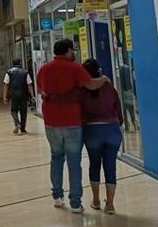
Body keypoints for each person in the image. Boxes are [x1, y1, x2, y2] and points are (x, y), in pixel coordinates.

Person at [37, 39, 110, 214]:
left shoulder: (44, 69)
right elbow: (91, 84)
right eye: (73, 50)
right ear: (68, 51)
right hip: (71, 121)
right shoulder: (75, 68)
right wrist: (104, 79)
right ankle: (76, 203)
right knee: (74, 162)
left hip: (51, 121)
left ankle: (57, 196)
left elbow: (40, 90)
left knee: (56, 157)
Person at [82, 59, 124, 214]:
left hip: (92, 131)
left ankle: (96, 200)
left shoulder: (83, 89)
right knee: (110, 166)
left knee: (94, 165)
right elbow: (118, 110)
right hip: (112, 130)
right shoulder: (109, 86)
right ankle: (110, 205)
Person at [3, 59, 33, 135]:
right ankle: (23, 129)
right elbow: (29, 84)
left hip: (13, 95)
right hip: (23, 94)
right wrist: (32, 95)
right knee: (23, 112)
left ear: (13, 64)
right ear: (20, 63)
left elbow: (6, 84)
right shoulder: (25, 72)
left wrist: (5, 96)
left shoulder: (9, 72)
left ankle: (17, 123)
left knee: (13, 111)